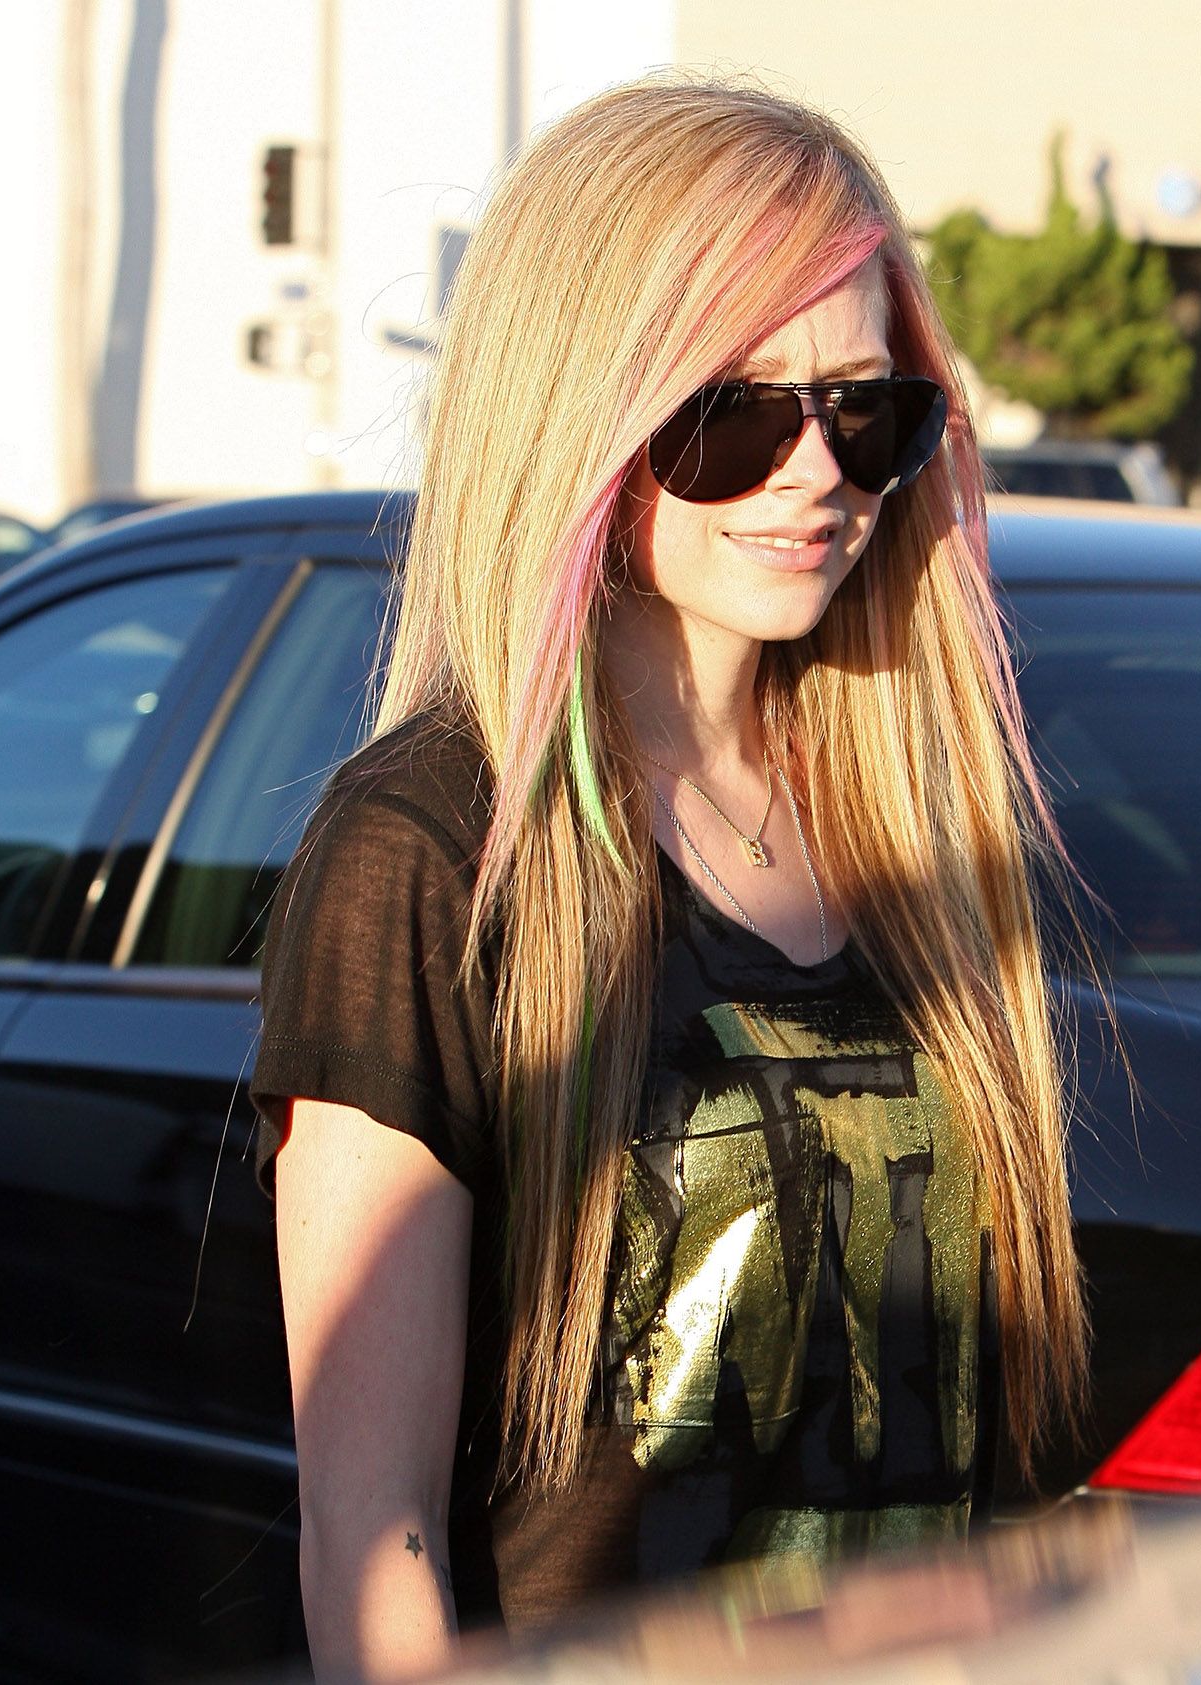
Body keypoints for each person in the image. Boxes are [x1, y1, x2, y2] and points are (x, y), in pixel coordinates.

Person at [251, 75, 1087, 1683]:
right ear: (582, 416)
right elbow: (374, 1529)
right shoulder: (434, 848)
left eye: (868, 409)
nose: (818, 469)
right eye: (736, 414)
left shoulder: (919, 832)